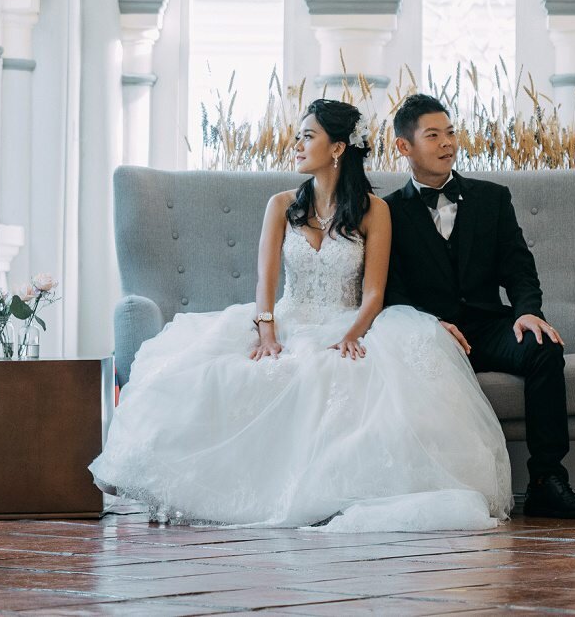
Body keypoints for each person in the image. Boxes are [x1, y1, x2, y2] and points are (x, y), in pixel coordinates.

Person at [89, 99, 510, 531]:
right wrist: (266, 332)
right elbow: (264, 283)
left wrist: (352, 335)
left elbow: (374, 294)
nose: (297, 145)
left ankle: (327, 495)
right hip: (287, 318)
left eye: (308, 136)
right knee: (217, 374)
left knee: (335, 372)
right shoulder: (281, 205)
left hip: (348, 321)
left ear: (338, 149)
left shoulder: (374, 211)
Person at [383, 93, 575, 519]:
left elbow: (519, 268)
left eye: (451, 132)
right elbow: (390, 289)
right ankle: (436, 489)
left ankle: (547, 481)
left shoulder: (492, 199)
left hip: (488, 326)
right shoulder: (386, 212)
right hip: (432, 335)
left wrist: (527, 311)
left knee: (544, 348)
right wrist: (425, 327)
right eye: (433, 135)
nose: (448, 143)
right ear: (403, 147)